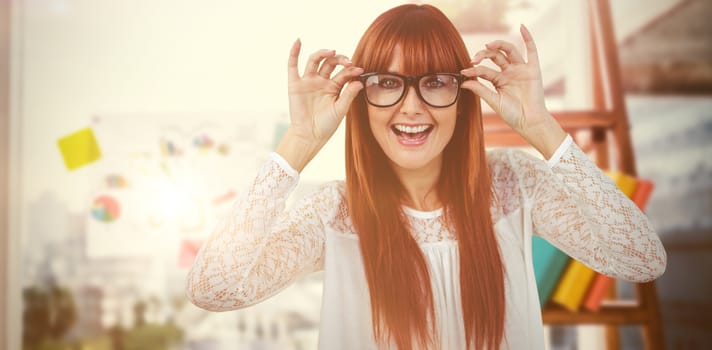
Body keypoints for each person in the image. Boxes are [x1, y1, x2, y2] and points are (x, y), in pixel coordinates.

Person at [186, 4, 667, 349]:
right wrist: (299, 145)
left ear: (463, 95)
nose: (411, 107)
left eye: (435, 82)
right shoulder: (336, 214)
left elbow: (642, 260)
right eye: (388, 83)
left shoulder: (513, 185)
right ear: (359, 96)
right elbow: (214, 288)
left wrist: (542, 128)